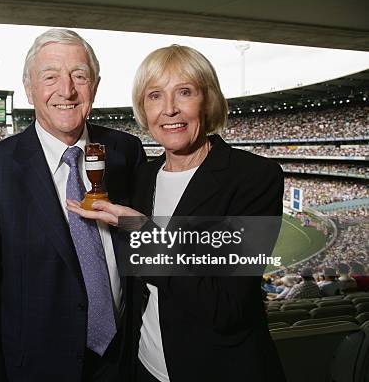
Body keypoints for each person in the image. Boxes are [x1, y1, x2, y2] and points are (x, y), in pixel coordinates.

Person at [68, 45, 285, 381]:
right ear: (143, 109)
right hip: (143, 368)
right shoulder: (141, 179)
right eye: (155, 96)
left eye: (184, 92)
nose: (169, 109)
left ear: (208, 100)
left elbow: (228, 307)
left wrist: (143, 231)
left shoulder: (254, 178)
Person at [0, 28, 146, 382]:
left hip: (126, 364)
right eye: (50, 76)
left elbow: (146, 251)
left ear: (96, 85)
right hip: (37, 370)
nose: (67, 90)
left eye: (79, 75)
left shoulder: (127, 151)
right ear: (29, 88)